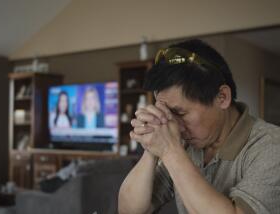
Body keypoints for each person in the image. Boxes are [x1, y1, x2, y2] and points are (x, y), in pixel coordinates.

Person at [118, 39, 280, 214]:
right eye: (166, 113)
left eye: (179, 113)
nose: (175, 127)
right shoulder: (184, 144)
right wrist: (151, 149)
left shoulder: (271, 146)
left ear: (222, 97)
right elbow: (129, 211)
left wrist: (171, 151)